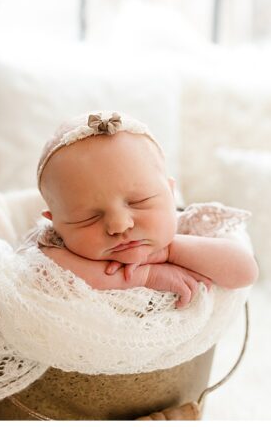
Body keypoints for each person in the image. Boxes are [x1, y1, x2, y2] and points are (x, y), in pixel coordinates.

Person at [33, 112, 258, 308]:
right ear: (56, 223)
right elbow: (47, 278)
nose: (120, 225)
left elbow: (245, 272)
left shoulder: (185, 227)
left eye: (139, 201)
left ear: (170, 193)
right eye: (89, 217)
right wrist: (146, 275)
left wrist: (170, 251)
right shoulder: (54, 250)